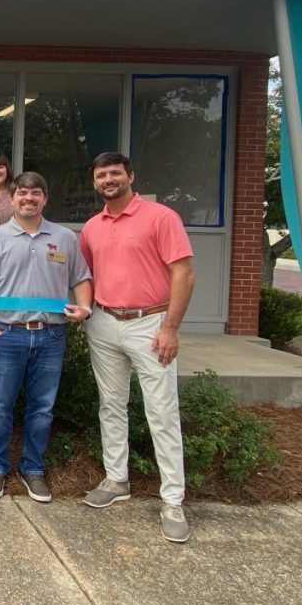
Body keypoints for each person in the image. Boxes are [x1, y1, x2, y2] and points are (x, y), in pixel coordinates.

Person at [79, 152, 195, 543]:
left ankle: (173, 499)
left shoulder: (161, 218)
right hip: (104, 322)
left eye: (115, 173)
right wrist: (83, 311)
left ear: (130, 176)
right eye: (101, 175)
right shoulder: (92, 227)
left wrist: (171, 328)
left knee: (161, 411)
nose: (108, 180)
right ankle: (116, 479)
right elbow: (87, 278)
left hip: (151, 324)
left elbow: (184, 273)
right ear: (95, 182)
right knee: (111, 405)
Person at [0, 172, 92, 503]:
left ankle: (32, 468)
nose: (29, 198)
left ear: (44, 199)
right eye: (22, 193)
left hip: (51, 336)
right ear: (13, 198)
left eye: (36, 193)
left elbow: (81, 277)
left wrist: (86, 307)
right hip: (7, 335)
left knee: (42, 408)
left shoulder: (65, 238)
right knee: (0, 407)